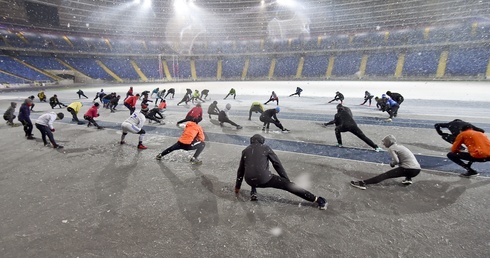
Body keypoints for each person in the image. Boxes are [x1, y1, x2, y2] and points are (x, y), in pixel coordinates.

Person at [234, 134, 327, 209]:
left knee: (253, 168)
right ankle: (316, 199)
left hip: (249, 180)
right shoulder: (266, 148)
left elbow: (241, 170)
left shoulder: (245, 151)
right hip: (264, 179)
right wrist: (286, 180)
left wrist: (237, 187)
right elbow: (276, 164)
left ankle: (253, 191)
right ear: (261, 141)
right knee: (286, 184)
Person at [350, 135, 421, 190]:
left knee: (385, 175)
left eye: (384, 142)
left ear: (388, 142)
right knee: (404, 166)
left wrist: (392, 164)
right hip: (417, 170)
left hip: (408, 169)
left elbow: (396, 161)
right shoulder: (400, 146)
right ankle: (408, 178)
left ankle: (363, 183)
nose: (383, 144)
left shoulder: (391, 148)